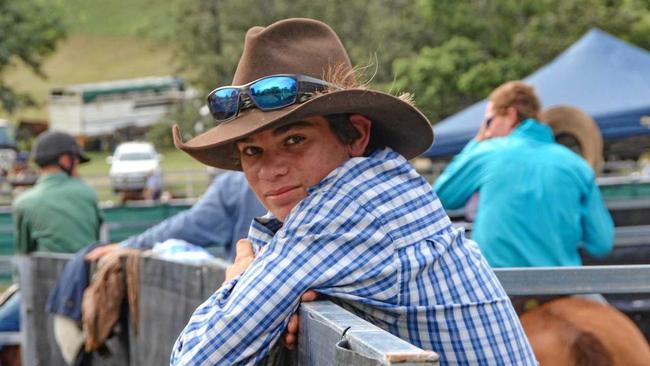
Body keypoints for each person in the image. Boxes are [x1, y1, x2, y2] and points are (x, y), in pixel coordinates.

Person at [169, 18, 536, 365]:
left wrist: (241, 282)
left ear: (357, 135)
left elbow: (197, 358)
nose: (271, 169)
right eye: (252, 151)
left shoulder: (348, 206)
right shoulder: (375, 186)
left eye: (295, 139)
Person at [433, 81, 614, 268]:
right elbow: (601, 244)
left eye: (489, 121)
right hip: (561, 284)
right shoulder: (578, 166)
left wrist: (478, 140)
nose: (488, 130)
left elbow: (440, 197)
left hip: (498, 285)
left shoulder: (488, 151)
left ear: (511, 115)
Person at [0, 131, 102, 333]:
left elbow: (23, 256)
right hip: (86, 285)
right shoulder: (88, 194)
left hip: (42, 289)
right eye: (77, 162)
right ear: (66, 160)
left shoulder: (24, 202)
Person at [86, 171, 265, 262]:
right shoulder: (235, 186)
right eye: (251, 150)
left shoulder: (235, 185)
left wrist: (128, 246)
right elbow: (190, 225)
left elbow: (189, 225)